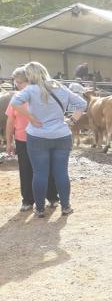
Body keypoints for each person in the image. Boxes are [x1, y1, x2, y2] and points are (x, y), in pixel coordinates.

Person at [9, 61, 87, 217]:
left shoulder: (30, 90)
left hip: (37, 136)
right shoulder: (60, 87)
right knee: (61, 173)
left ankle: (39, 209)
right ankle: (65, 206)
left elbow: (14, 102)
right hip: (61, 135)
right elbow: (82, 103)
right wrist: (71, 121)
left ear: (30, 75)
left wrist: (31, 118)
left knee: (40, 173)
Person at [5, 66, 59, 212]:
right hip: (22, 139)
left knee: (46, 168)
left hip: (42, 137)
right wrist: (9, 142)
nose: (18, 85)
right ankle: (28, 200)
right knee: (25, 169)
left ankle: (52, 197)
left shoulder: (42, 95)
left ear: (30, 81)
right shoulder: (16, 98)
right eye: (17, 82)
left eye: (21, 82)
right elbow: (10, 122)